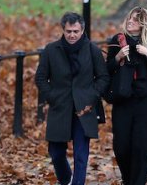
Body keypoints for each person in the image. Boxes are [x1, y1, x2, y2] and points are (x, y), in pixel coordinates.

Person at [35, 12, 109, 185]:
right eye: (68, 31)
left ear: (82, 30)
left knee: (81, 155)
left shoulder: (92, 50)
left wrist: (91, 96)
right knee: (56, 153)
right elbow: (40, 77)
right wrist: (52, 96)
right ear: (63, 29)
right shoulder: (51, 50)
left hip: (84, 109)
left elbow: (103, 77)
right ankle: (66, 179)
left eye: (76, 31)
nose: (72, 35)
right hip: (60, 106)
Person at [106, 7, 147, 185]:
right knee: (121, 147)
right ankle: (127, 178)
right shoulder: (117, 40)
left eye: (135, 20)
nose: (130, 22)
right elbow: (106, 71)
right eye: (129, 18)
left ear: (143, 23)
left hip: (145, 102)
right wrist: (117, 58)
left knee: (142, 147)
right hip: (123, 100)